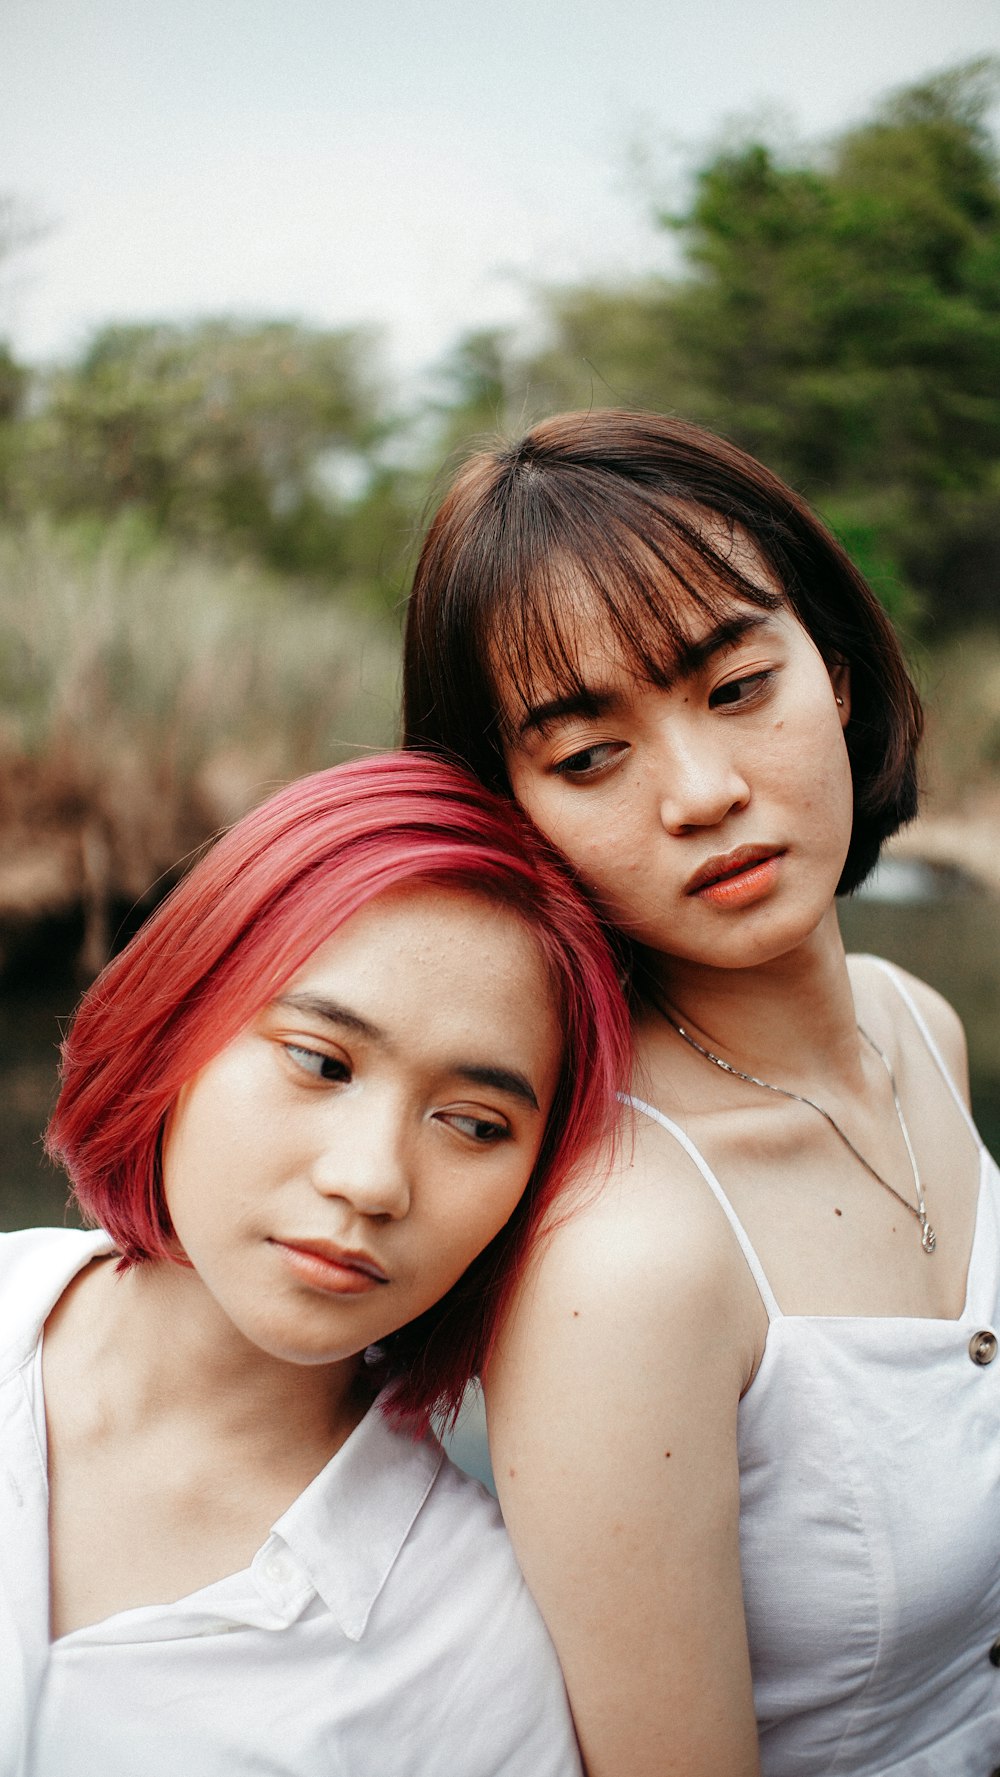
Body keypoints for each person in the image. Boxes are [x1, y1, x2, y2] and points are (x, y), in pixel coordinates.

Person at [402, 411, 1000, 1777]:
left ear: (835, 671)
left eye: (736, 686)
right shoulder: (626, 1261)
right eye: (588, 755)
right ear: (512, 811)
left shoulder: (922, 1026)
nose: (704, 792)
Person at [1, 752, 631, 1777]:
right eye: (321, 1061)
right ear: (176, 1020)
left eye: (473, 1123)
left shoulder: (468, 1647)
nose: (374, 1179)